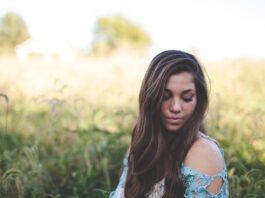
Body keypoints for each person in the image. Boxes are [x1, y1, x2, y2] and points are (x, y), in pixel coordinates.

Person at [109, 50, 229, 197]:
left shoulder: (203, 153)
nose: (175, 108)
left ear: (199, 100)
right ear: (151, 97)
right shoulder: (142, 142)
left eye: (187, 98)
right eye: (165, 97)